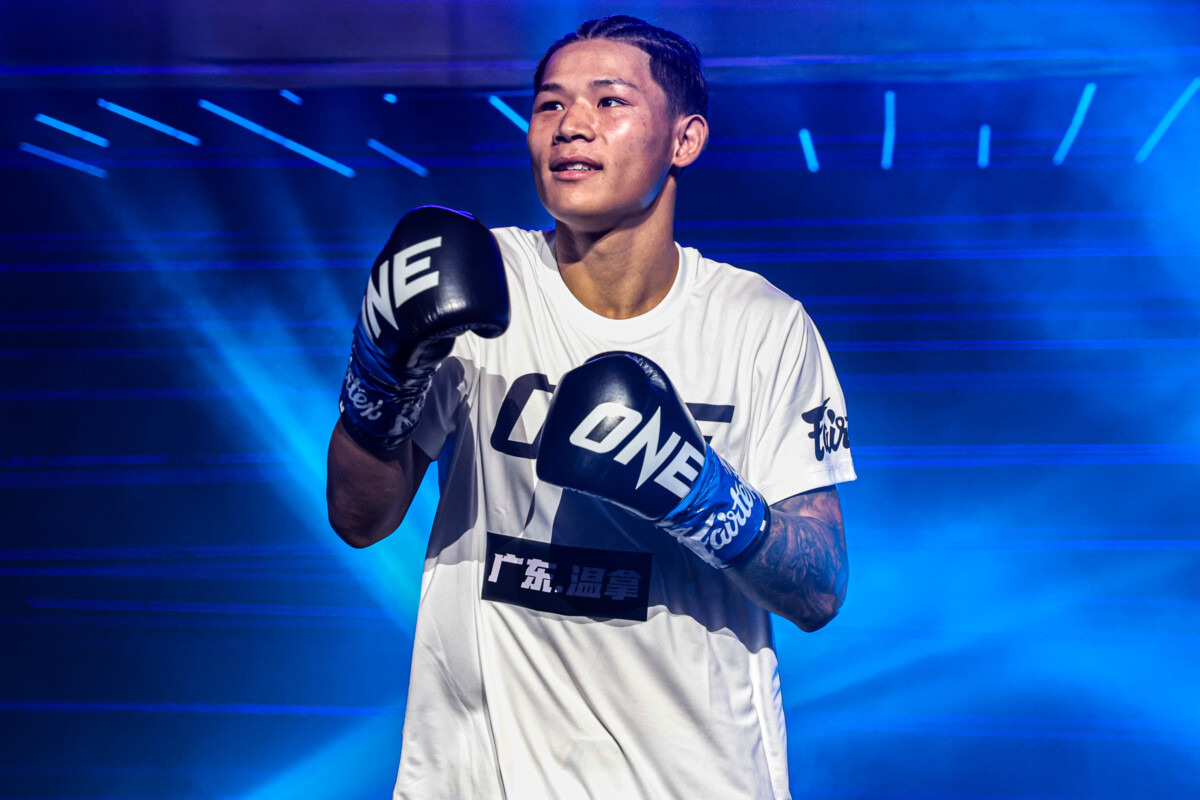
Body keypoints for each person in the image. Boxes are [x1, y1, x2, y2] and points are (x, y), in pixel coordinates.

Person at [327, 14, 855, 800]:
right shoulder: (477, 282)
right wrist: (378, 372)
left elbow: (819, 589)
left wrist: (698, 493)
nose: (570, 125)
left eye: (609, 101)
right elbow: (358, 518)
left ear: (685, 139)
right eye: (549, 104)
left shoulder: (762, 325)